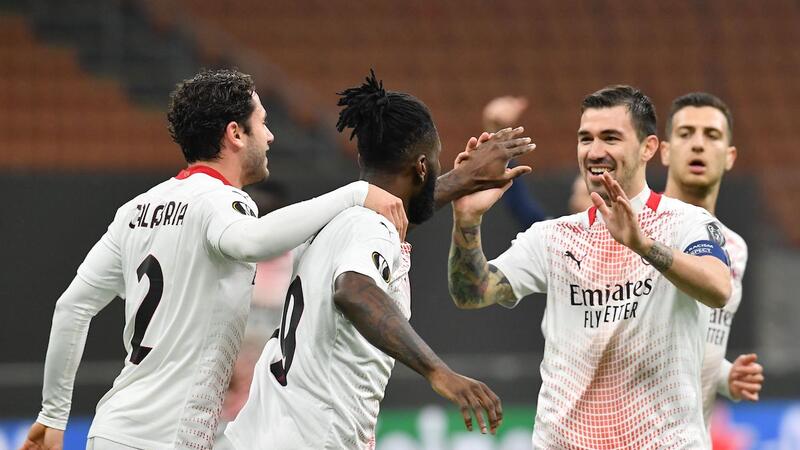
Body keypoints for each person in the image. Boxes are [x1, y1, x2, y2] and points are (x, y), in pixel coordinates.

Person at [19, 68, 526, 450]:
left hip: (114, 427)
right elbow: (265, 246)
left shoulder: (136, 211)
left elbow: (71, 307)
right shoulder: (227, 206)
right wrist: (355, 193)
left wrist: (53, 413)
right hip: (174, 437)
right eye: (262, 123)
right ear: (235, 134)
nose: (271, 136)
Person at [225, 70, 535, 449]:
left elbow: (398, 214)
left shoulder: (339, 218)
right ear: (422, 167)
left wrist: (463, 178)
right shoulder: (371, 228)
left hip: (266, 433)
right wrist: (438, 372)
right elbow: (353, 289)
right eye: (435, 160)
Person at [448, 85, 733, 448]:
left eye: (610, 138)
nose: (595, 151)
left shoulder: (687, 223)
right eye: (586, 139)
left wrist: (644, 246)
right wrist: (467, 220)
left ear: (648, 148)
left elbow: (718, 288)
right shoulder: (553, 236)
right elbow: (472, 293)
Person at [660, 92, 764, 428]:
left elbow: (694, 342)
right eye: (686, 133)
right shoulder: (636, 232)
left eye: (712, 135)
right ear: (664, 151)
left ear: (730, 156)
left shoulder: (735, 248)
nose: (698, 144)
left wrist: (724, 375)